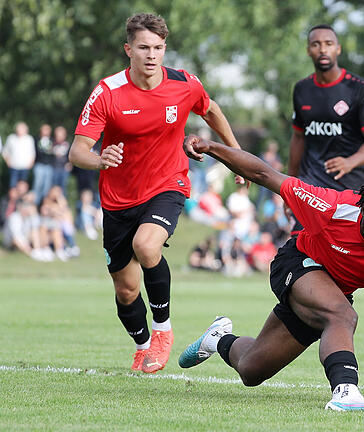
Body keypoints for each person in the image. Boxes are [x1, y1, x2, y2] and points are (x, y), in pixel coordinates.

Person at [178, 135, 364, 412]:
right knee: (342, 315)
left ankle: (217, 339)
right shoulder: (331, 207)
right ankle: (346, 392)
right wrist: (212, 147)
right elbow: (264, 173)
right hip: (297, 263)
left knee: (251, 369)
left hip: (330, 292)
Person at [69, 13, 245, 374]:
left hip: (168, 183)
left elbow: (211, 111)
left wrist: (236, 155)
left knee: (147, 246)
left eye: (159, 48)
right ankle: (143, 345)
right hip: (118, 200)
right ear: (128, 49)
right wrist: (99, 159)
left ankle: (163, 331)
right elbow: (77, 151)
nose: (152, 55)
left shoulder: (184, 84)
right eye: (144, 47)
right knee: (126, 291)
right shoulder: (107, 92)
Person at [287, 24, 364, 350]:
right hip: (314, 188)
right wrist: (288, 187)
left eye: (328, 43)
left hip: (355, 188)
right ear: (309, 50)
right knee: (300, 249)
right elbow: (298, 138)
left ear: (338, 49)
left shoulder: (360, 89)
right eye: (316, 44)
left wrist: (349, 161)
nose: (322, 49)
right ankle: (307, 320)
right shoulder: (302, 89)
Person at [3, 122, 36, 188]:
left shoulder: (29, 139)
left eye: (22, 129)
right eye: (19, 129)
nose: (20, 130)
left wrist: (31, 163)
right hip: (14, 166)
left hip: (25, 166)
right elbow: (5, 151)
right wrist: (8, 162)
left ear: (26, 130)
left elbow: (32, 152)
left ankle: (21, 198)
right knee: (13, 185)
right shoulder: (11, 138)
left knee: (23, 186)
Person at [31, 124, 55, 204]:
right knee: (37, 185)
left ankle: (44, 204)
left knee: (47, 187)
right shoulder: (36, 139)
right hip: (39, 164)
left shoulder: (52, 140)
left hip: (49, 165)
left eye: (47, 130)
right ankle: (35, 204)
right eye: (44, 130)